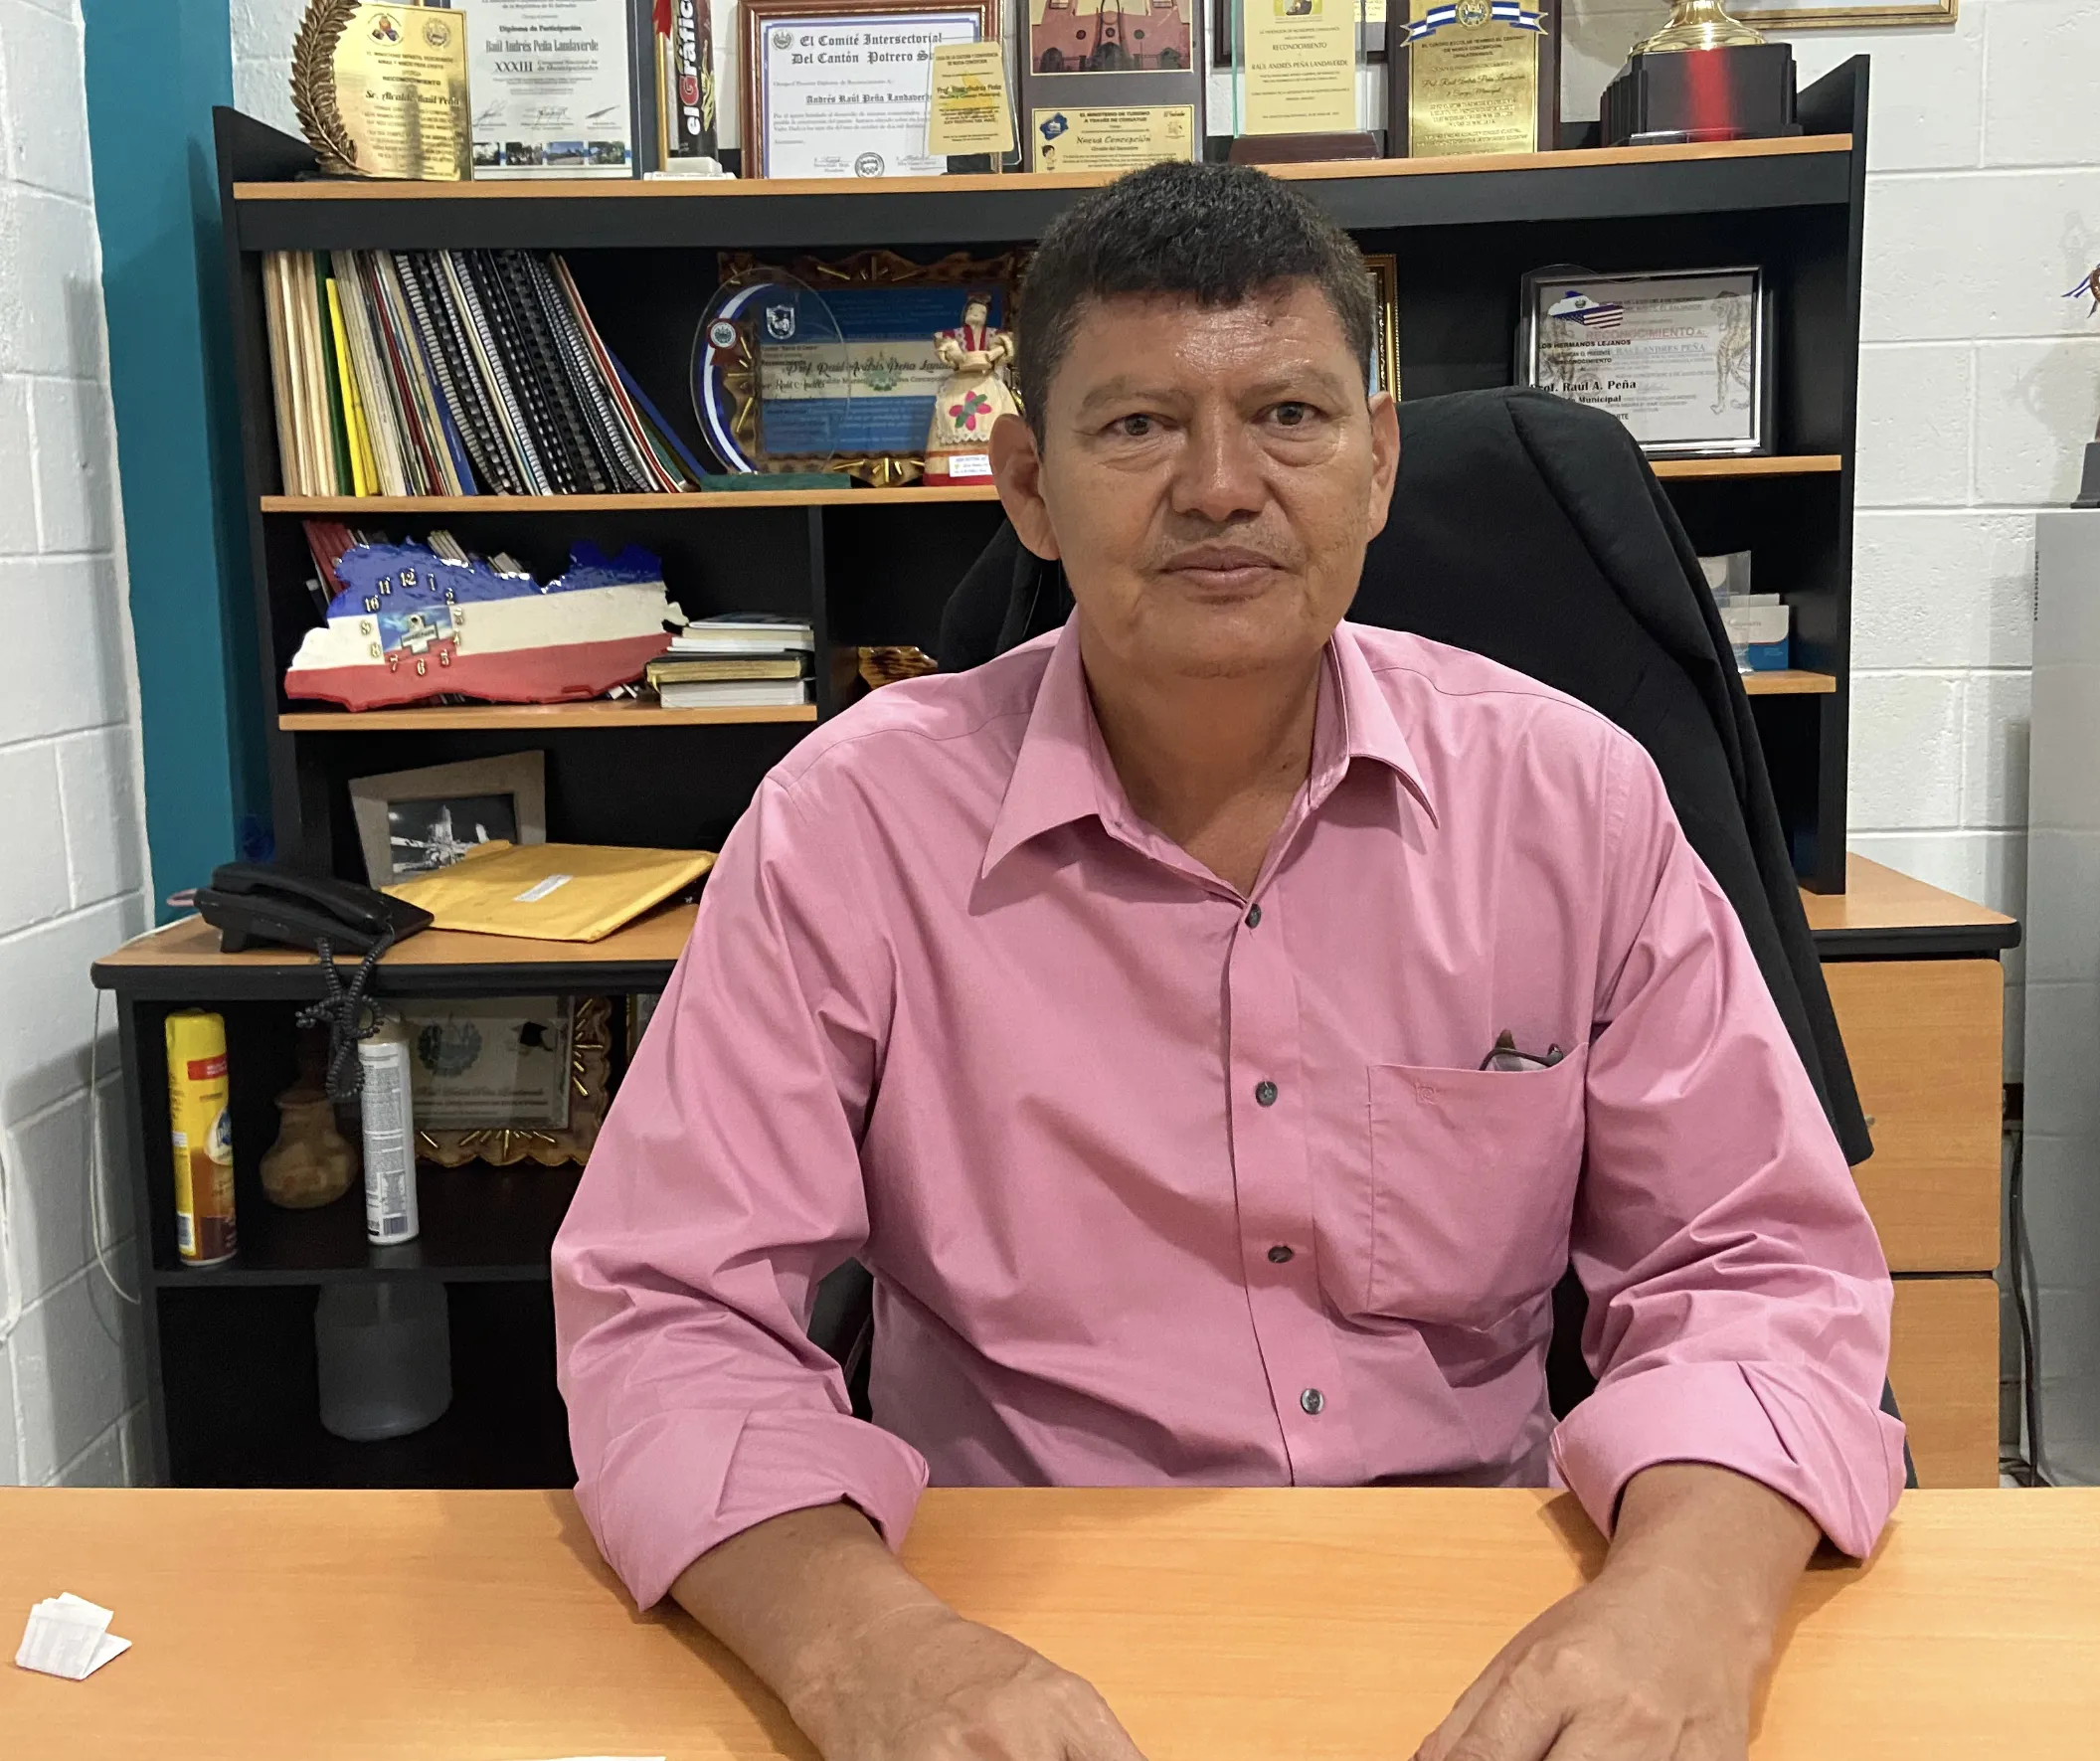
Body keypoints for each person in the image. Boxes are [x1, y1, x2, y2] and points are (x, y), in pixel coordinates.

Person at [554, 162, 1902, 1761]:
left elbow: (1753, 1273)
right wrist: (863, 1654)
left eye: (1290, 417)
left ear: (1379, 461)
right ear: (1028, 485)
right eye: (1134, 427)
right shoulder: (851, 827)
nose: (1218, 485)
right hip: (999, 1627)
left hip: (1485, 1622)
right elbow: (668, 1310)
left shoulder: (1573, 799)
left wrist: (1685, 1599)